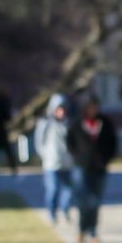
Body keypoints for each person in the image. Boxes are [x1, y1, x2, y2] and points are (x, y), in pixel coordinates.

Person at [67, 95, 118, 243]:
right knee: (84, 200)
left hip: (100, 168)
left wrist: (106, 159)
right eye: (90, 107)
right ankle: (82, 230)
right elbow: (70, 142)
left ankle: (93, 232)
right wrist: (77, 157)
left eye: (95, 106)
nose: (93, 110)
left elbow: (113, 143)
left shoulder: (105, 123)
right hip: (82, 168)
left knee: (95, 201)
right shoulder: (77, 123)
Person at [33, 95, 74, 224]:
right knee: (53, 189)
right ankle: (52, 213)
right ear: (53, 109)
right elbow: (39, 143)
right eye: (58, 109)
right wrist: (45, 156)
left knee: (69, 190)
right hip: (51, 163)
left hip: (68, 163)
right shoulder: (45, 124)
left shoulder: (69, 124)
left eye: (63, 109)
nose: (61, 112)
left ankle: (65, 209)